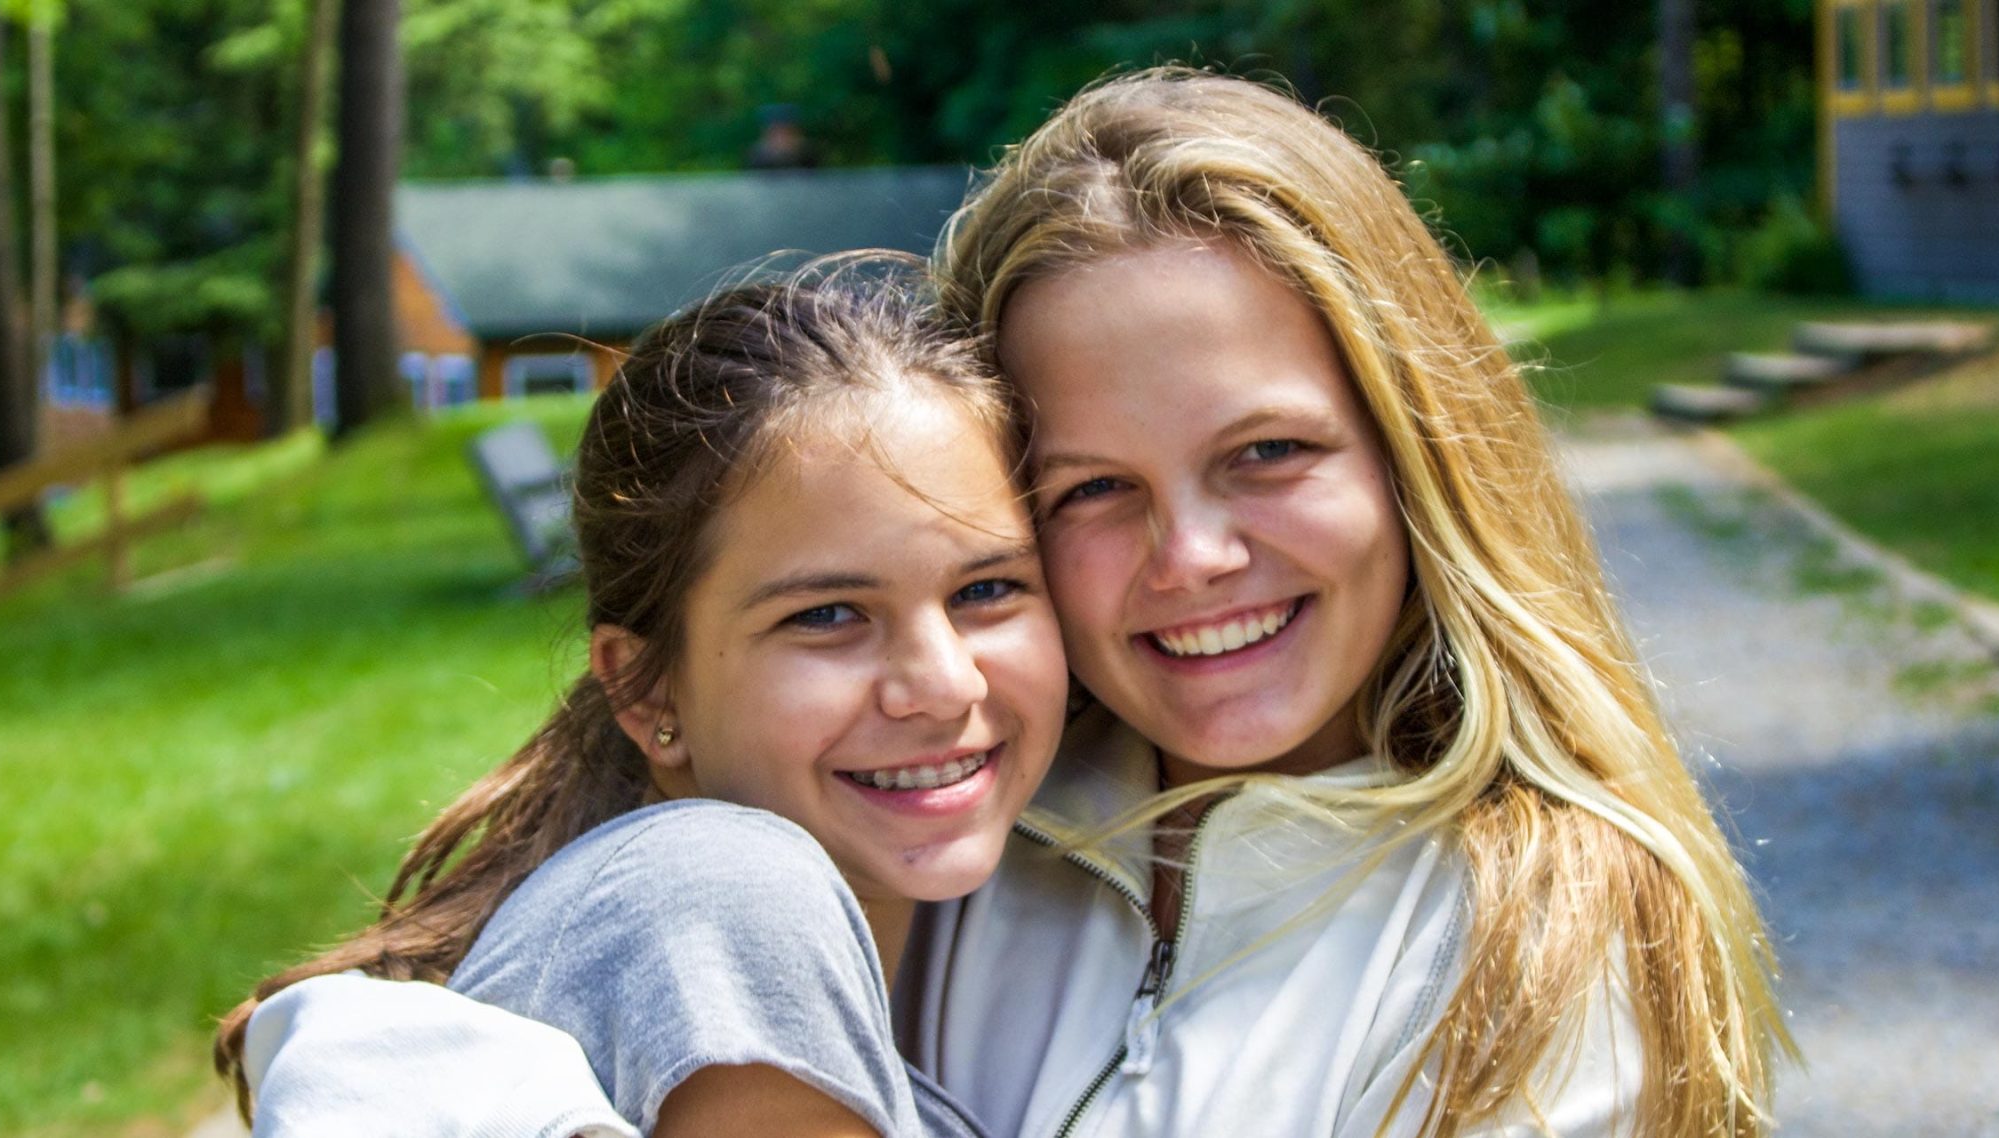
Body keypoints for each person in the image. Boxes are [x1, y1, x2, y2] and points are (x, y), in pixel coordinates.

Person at [245, 69, 1790, 1138]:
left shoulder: (1540, 926)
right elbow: (409, 1026)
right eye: (1091, 492)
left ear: (1414, 456)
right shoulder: (942, 828)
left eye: (1267, 454)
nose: (1191, 556)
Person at [216, 260, 1067, 1138]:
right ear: (642, 682)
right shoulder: (730, 897)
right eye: (827, 614)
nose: (944, 684)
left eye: (986, 590)